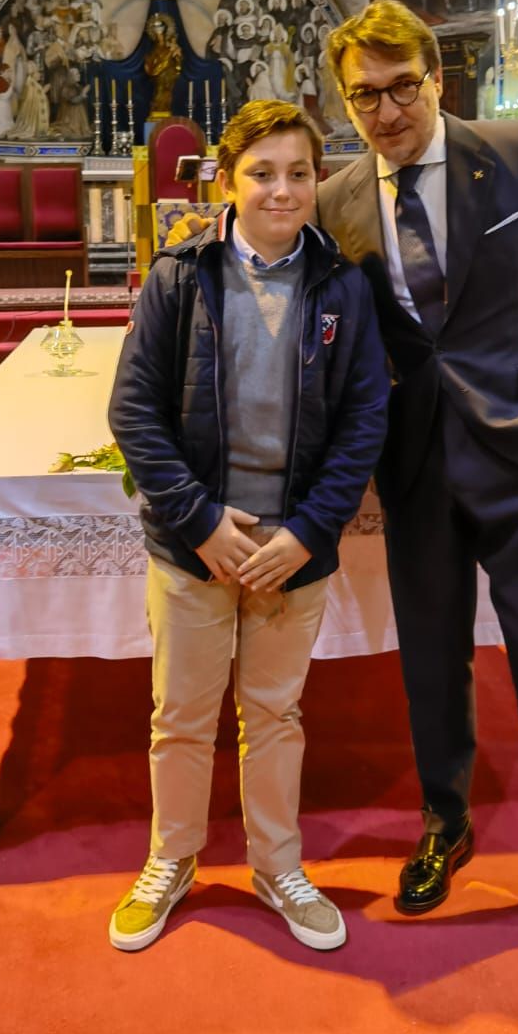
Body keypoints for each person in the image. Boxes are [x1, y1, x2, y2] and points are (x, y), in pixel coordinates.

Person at [319, 0, 518, 971]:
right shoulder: (338, 201)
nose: (387, 108)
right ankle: (445, 823)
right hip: (414, 463)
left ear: (436, 76)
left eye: (402, 84)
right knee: (431, 665)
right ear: (345, 102)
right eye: (364, 94)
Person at [107, 99, 389, 954]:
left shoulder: (342, 286)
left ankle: (277, 865)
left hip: (290, 546)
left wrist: (307, 531)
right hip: (198, 543)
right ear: (226, 181)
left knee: (274, 714)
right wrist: (198, 521)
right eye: (262, 173)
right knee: (183, 715)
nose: (283, 190)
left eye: (299, 173)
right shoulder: (180, 275)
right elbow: (135, 410)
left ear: (317, 180)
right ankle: (173, 858)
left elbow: (364, 419)